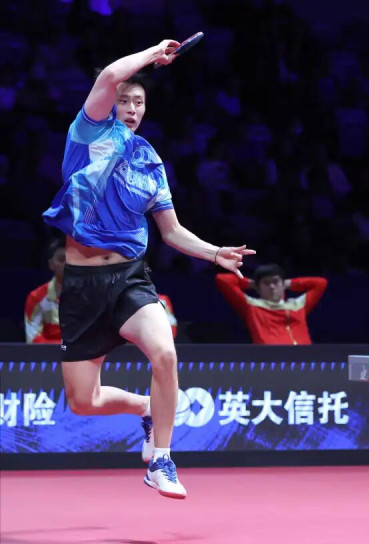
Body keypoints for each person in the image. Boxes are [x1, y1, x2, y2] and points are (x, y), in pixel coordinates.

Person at [41, 40, 255, 499]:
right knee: (83, 401)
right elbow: (108, 76)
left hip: (130, 279)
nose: (132, 109)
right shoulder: (87, 134)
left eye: (139, 102)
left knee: (165, 353)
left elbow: (171, 231)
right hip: (82, 285)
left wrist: (215, 253)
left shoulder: (148, 159)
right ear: (109, 102)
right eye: (124, 100)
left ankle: (161, 459)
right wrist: (154, 52)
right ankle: (145, 408)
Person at [26, 239, 179, 342]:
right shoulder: (98, 294)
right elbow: (33, 339)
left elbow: (168, 334)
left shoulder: (160, 301)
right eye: (61, 259)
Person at [216, 264, 327, 345]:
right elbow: (222, 280)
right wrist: (251, 283)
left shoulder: (298, 305)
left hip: (305, 360)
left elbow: (320, 283)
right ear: (258, 288)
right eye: (266, 283)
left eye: (275, 281)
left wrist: (289, 283)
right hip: (272, 361)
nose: (272, 286)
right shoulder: (251, 306)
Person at [25, 238, 65, 344]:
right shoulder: (36, 298)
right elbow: (33, 339)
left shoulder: (89, 296)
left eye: (72, 260)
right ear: (51, 264)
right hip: (49, 355)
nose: (68, 265)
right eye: (62, 259)